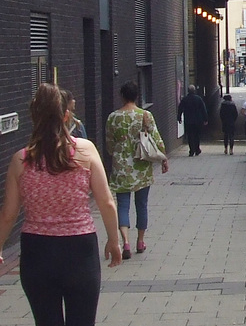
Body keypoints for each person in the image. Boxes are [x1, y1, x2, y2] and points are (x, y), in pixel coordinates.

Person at [0, 83, 122, 326]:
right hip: (80, 250)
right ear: (65, 116)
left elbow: (8, 214)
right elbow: (106, 202)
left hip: (37, 252)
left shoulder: (21, 160)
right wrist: (114, 240)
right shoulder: (85, 151)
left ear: (34, 117)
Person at [106, 80, 168, 260]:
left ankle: (125, 241)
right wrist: (163, 158)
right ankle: (140, 241)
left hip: (120, 166)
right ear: (136, 96)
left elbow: (109, 143)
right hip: (141, 165)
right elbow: (156, 138)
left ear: (122, 96)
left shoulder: (113, 117)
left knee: (123, 205)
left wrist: (116, 152)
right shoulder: (145, 115)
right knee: (142, 204)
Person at [176, 84, 208, 156]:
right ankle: (197, 149)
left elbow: (180, 109)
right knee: (197, 135)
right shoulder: (198, 99)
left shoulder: (185, 99)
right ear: (194, 91)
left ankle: (191, 150)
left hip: (188, 121)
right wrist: (205, 119)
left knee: (190, 136)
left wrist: (179, 118)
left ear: (188, 91)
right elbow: (203, 109)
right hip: (198, 121)